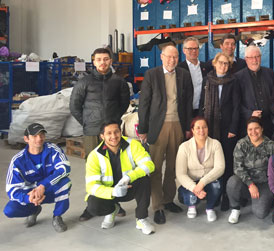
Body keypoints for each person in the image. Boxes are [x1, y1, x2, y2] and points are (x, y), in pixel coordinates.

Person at [70, 47, 130, 221]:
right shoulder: (84, 82)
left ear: (111, 61)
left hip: (112, 133)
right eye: (99, 59)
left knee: (114, 167)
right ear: (93, 61)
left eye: (106, 59)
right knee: (93, 170)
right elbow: (74, 106)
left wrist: (113, 124)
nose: (102, 62)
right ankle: (91, 206)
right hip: (92, 132)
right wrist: (87, 122)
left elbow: (124, 104)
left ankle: (115, 202)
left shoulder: (119, 82)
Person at [138, 44, 193, 224]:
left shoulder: (184, 75)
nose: (172, 60)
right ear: (161, 57)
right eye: (168, 57)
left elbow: (187, 103)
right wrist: (143, 129)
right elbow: (144, 104)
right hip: (157, 127)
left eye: (175, 57)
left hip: (177, 125)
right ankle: (157, 206)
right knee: (155, 167)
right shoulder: (152, 75)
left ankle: (168, 200)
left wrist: (187, 127)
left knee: (173, 167)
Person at [85, 121, 155, 235]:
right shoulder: (94, 156)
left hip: (129, 186)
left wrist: (129, 176)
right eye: (109, 133)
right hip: (110, 194)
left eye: (116, 132)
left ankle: (142, 219)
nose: (114, 136)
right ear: (102, 136)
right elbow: (91, 186)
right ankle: (112, 210)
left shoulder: (133, 144)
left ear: (121, 132)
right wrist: (113, 192)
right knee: (93, 205)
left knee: (144, 180)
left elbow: (149, 165)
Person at [4, 123, 70, 233]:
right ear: (26, 139)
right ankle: (34, 209)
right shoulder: (17, 161)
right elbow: (11, 189)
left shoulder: (53, 150)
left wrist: (43, 185)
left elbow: (64, 168)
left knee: (65, 183)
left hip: (48, 189)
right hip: (30, 194)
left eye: (42, 135)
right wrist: (28, 198)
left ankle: (57, 216)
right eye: (34, 136)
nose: (39, 139)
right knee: (9, 210)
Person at [199, 52, 240, 211]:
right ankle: (214, 194)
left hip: (227, 128)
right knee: (212, 162)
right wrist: (201, 127)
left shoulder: (233, 81)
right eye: (221, 63)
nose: (223, 66)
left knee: (227, 162)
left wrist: (233, 128)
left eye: (226, 64)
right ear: (215, 63)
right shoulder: (207, 80)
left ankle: (226, 196)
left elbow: (237, 106)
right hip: (210, 127)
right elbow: (202, 103)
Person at [227, 117, 274, 223]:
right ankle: (235, 208)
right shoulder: (241, 144)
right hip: (246, 183)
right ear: (247, 130)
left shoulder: (271, 145)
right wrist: (250, 184)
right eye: (250, 129)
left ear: (262, 129)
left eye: (257, 128)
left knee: (260, 214)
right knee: (232, 182)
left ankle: (264, 199)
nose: (253, 132)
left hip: (264, 183)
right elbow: (237, 167)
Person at [175, 117, 225, 222]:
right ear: (192, 130)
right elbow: (180, 174)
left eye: (204, 127)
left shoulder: (216, 144)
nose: (201, 131)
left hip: (209, 180)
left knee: (217, 185)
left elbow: (220, 168)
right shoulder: (184, 147)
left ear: (208, 129)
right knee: (192, 197)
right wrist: (194, 188)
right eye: (198, 128)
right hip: (190, 181)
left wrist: (202, 182)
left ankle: (210, 208)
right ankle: (191, 206)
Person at [235, 45, 274, 139]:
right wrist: (250, 114)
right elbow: (236, 103)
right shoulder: (238, 77)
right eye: (251, 57)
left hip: (269, 123)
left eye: (257, 56)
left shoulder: (270, 73)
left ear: (260, 57)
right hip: (249, 124)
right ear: (246, 59)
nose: (254, 60)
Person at [178, 37, 212, 116]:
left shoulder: (206, 67)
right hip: (185, 111)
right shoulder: (179, 69)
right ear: (184, 50)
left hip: (203, 111)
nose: (193, 51)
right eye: (190, 49)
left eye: (196, 48)